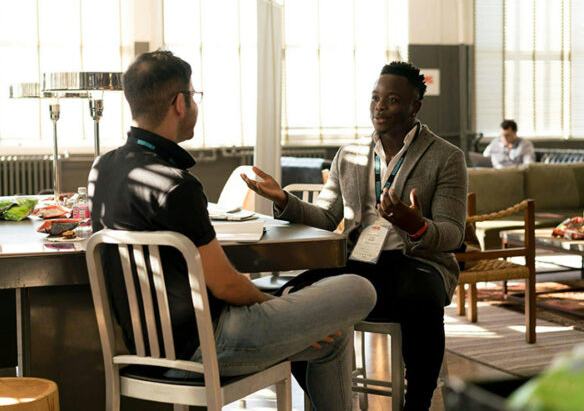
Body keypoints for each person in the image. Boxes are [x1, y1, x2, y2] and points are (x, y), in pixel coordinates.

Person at [88, 50, 377, 411]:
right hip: (208, 345)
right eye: (194, 96)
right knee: (359, 288)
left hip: (143, 351)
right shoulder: (178, 185)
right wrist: (276, 305)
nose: (195, 104)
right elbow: (224, 283)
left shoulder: (103, 168)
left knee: (332, 337)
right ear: (180, 103)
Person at [242, 61, 467, 411]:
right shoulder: (348, 155)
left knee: (421, 298)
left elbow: (453, 233)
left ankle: (417, 404)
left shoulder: (446, 157)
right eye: (375, 98)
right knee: (297, 294)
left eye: (392, 99)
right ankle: (326, 400)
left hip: (417, 263)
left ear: (415, 106)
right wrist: (284, 200)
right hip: (360, 261)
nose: (379, 106)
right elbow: (328, 217)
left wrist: (415, 225)